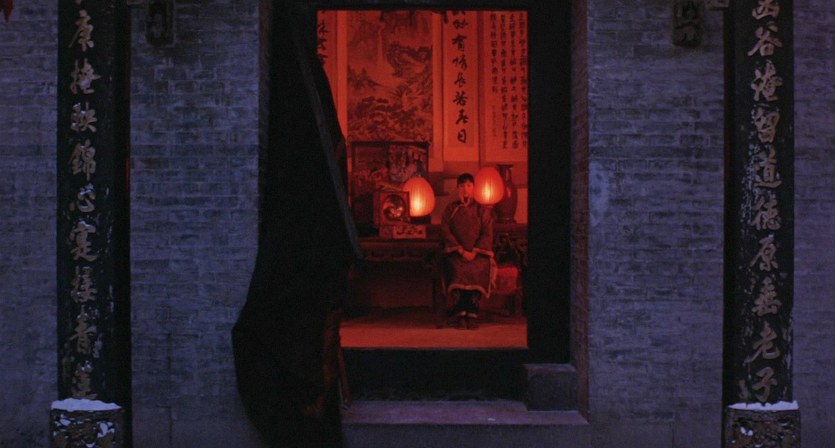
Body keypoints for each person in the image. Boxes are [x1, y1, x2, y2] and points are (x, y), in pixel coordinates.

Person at [440, 173, 496, 329]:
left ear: (474, 188)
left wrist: (475, 252)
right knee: (457, 268)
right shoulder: (451, 209)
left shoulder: (482, 210)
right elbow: (445, 230)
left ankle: (472, 313)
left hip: (477, 255)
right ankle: (460, 313)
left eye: (469, 185)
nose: (466, 189)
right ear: (458, 188)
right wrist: (460, 250)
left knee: (478, 269)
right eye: (462, 186)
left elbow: (487, 233)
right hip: (456, 253)